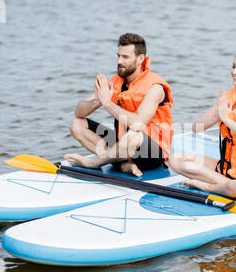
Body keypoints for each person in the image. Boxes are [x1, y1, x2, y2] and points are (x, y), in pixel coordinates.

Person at [168, 50, 236, 199]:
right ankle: (229, 186)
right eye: (233, 66)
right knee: (175, 159)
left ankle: (208, 186)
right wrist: (218, 115)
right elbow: (197, 127)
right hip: (227, 168)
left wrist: (226, 118)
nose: (234, 72)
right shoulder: (228, 98)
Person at [64, 33, 174, 177]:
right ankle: (123, 164)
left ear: (140, 59)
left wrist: (107, 103)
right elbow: (79, 113)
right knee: (77, 124)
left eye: (125, 57)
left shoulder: (155, 87)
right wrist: (98, 99)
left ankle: (96, 163)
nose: (119, 61)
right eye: (118, 56)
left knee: (134, 134)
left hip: (150, 153)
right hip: (122, 146)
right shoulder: (117, 82)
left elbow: (138, 124)